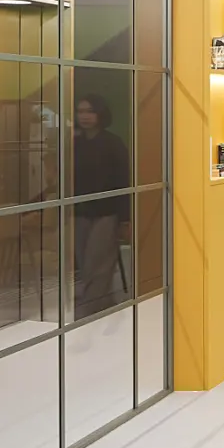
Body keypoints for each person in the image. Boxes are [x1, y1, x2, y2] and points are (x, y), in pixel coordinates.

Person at [72, 93, 130, 320]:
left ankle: (90, 312)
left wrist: (125, 218)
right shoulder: (74, 144)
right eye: (80, 111)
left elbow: (123, 180)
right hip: (79, 210)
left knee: (99, 262)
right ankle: (104, 308)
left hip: (106, 211)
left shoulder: (112, 143)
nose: (84, 116)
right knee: (86, 265)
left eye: (90, 111)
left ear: (100, 114)